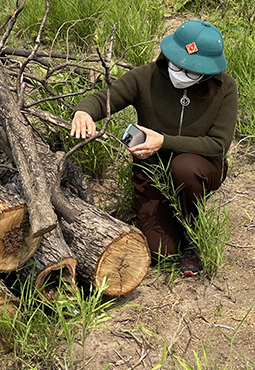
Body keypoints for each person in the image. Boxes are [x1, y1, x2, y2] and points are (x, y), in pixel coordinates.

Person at [70, 20, 237, 276]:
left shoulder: (225, 88)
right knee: (161, 252)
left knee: (185, 168)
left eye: (191, 70)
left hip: (200, 167)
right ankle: (170, 219)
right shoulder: (146, 76)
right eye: (176, 63)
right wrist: (84, 112)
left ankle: (192, 235)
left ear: (207, 72)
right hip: (152, 171)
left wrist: (164, 142)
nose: (180, 72)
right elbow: (105, 98)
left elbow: (218, 145)